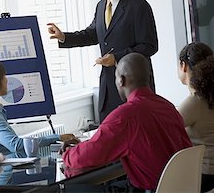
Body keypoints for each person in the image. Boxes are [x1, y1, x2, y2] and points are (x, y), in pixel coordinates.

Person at [61, 53, 192, 192]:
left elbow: (86, 156)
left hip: (151, 189)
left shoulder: (125, 116)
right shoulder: (168, 106)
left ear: (121, 80)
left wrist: (68, 154)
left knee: (67, 190)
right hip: (182, 188)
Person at [47, 0, 158, 122]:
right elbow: (93, 34)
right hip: (109, 85)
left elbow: (150, 46)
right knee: (110, 135)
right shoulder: (101, 6)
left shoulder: (138, 5)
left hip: (135, 86)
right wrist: (64, 37)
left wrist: (116, 58)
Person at [0, 60, 77, 155]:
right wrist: (57, 137)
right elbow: (16, 145)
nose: (6, 80)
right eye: (3, 76)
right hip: (0, 170)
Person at [177, 42, 214, 192]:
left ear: (183, 66)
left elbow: (165, 128)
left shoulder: (195, 102)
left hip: (205, 176)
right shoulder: (208, 97)